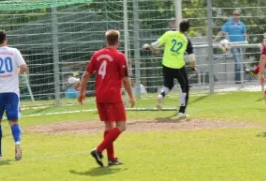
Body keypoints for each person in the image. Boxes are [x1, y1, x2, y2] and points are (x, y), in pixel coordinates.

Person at [78, 30, 136, 168]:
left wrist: (81, 92)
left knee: (108, 126)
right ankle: (98, 150)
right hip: (113, 95)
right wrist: (131, 96)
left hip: (100, 95)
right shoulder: (119, 56)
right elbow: (125, 79)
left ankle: (111, 158)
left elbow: (86, 75)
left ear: (106, 40)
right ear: (118, 41)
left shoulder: (96, 55)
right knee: (121, 126)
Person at [0, 30, 28, 160]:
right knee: (13, 121)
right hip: (12, 91)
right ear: (6, 39)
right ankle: (17, 143)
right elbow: (24, 66)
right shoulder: (14, 51)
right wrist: (16, 74)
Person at [145, 20, 196, 118]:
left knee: (168, 84)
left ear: (179, 26)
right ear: (187, 30)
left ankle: (162, 94)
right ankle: (181, 111)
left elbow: (155, 45)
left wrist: (149, 47)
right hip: (178, 67)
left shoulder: (168, 34)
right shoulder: (186, 40)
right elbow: (192, 58)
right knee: (184, 87)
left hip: (166, 64)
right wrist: (193, 66)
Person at [214, 9, 248, 84]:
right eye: (234, 14)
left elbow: (245, 34)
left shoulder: (242, 24)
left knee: (241, 62)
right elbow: (222, 32)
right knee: (237, 61)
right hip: (232, 45)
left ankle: (242, 78)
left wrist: (246, 39)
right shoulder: (229, 24)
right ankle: (238, 80)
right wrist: (215, 39)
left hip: (242, 45)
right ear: (233, 15)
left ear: (240, 16)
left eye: (237, 15)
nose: (236, 16)